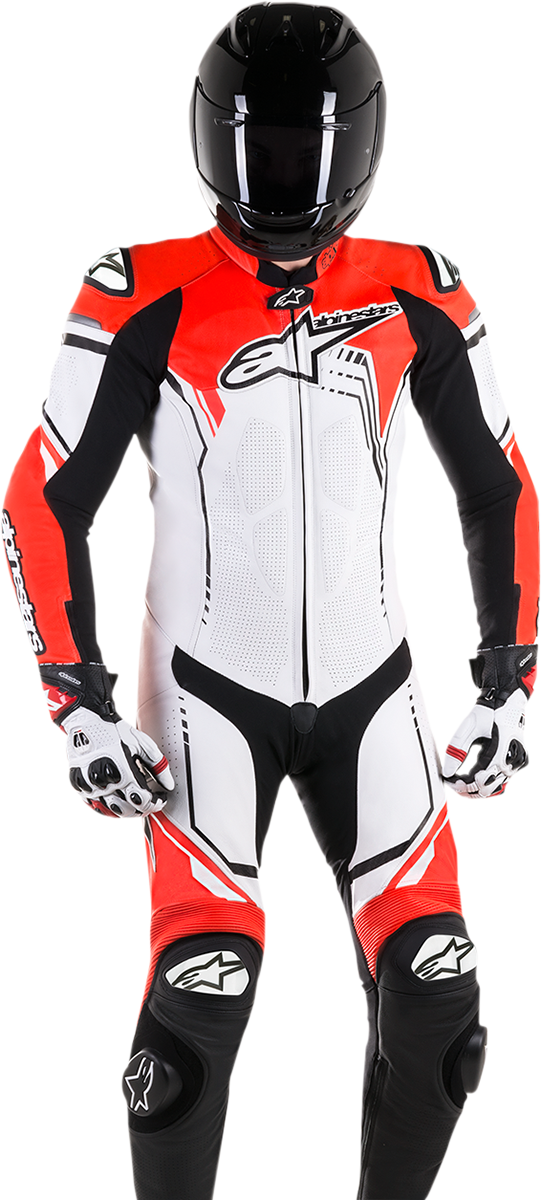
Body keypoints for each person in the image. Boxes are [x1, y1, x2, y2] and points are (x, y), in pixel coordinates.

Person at [2, 5, 538, 1199]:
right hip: (206, 696)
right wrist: (76, 706)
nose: (285, 182)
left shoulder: (422, 286)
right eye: (262, 152)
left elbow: (499, 486)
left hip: (372, 687)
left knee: (439, 1000)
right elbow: (42, 498)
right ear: (210, 142)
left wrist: (511, 677)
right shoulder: (136, 288)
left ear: (364, 148)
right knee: (204, 986)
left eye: (309, 154)